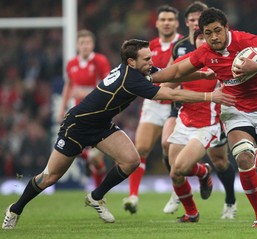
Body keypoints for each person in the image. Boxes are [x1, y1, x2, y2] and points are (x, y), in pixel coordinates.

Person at [2, 39, 235, 230]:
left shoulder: (136, 69)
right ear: (132, 61)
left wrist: (202, 76)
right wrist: (208, 96)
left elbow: (168, 74)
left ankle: (95, 197)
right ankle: (15, 209)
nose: (151, 62)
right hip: (77, 126)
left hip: (101, 124)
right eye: (147, 59)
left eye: (150, 57)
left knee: (131, 160)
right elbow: (171, 94)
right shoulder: (131, 80)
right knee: (50, 176)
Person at [151, 7, 257, 227]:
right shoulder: (205, 52)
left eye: (218, 31)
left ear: (227, 28)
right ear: (203, 34)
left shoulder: (246, 40)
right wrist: (148, 77)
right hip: (234, 109)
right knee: (242, 157)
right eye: (208, 33)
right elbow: (177, 72)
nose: (214, 37)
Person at [163, 2, 237, 219]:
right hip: (184, 121)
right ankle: (192, 213)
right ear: (195, 42)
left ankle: (219, 189)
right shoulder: (184, 62)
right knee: (175, 172)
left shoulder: (221, 63)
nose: (206, 41)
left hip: (208, 125)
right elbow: (166, 89)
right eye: (201, 37)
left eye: (208, 37)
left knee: (189, 166)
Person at [122, 5, 183, 214]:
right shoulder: (148, 47)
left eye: (170, 19)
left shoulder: (183, 45)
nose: (166, 22)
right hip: (153, 102)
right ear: (156, 23)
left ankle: (178, 192)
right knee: (141, 148)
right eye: (163, 19)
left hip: (176, 103)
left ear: (176, 23)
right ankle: (133, 196)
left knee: (169, 147)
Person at [58, 29, 111, 188]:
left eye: (88, 43)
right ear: (77, 46)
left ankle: (98, 191)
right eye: (82, 43)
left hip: (97, 112)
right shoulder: (71, 64)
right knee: (70, 146)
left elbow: (108, 84)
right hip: (78, 112)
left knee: (96, 158)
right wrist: (62, 107)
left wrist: (86, 92)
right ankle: (93, 162)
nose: (85, 46)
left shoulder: (100, 61)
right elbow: (69, 85)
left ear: (93, 45)